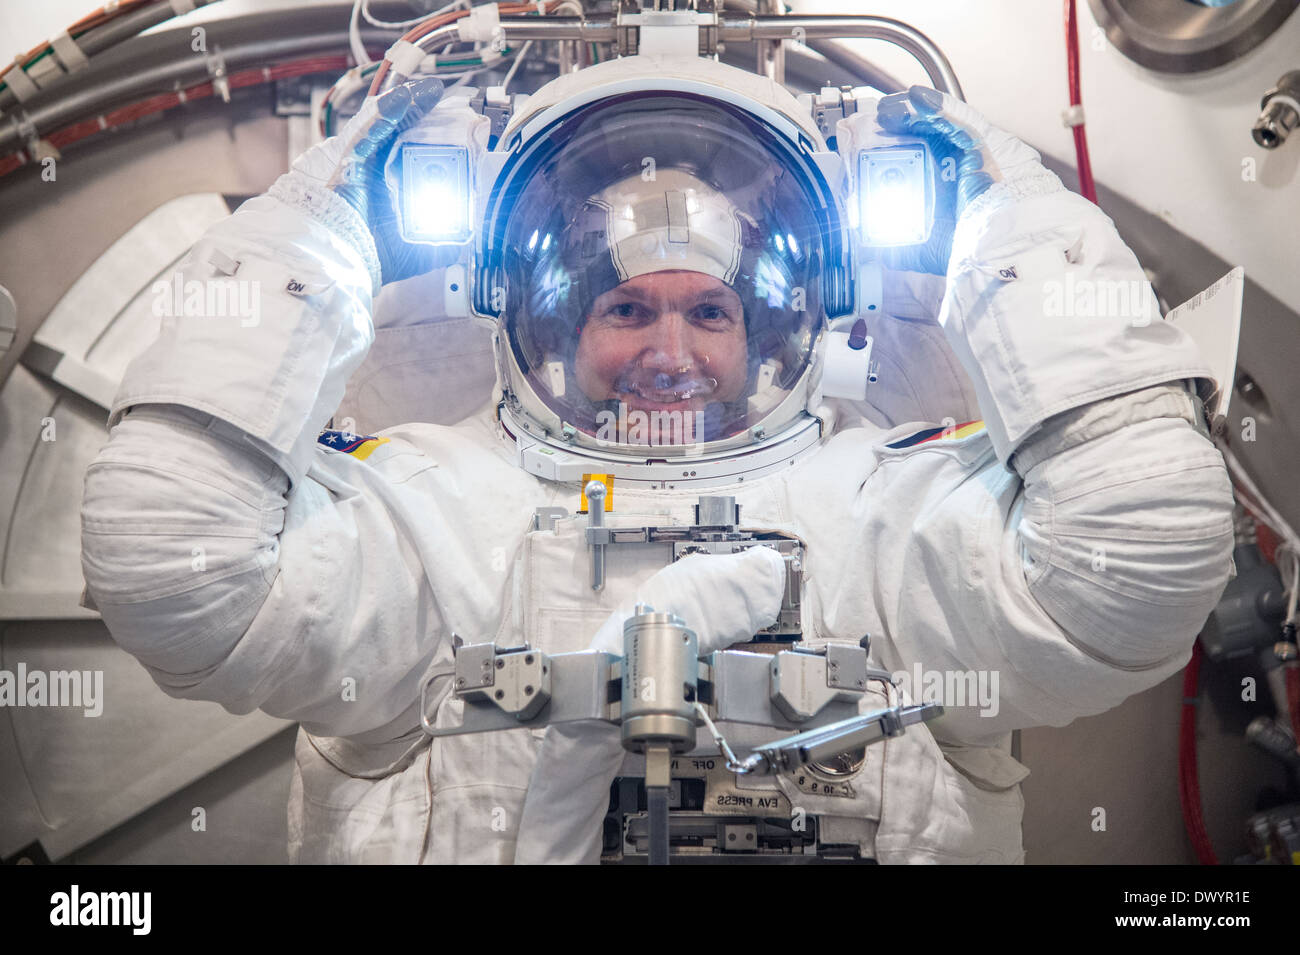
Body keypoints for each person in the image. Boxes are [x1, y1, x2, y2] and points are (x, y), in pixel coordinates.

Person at [80, 64, 1236, 863]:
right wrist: (307, 223)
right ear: (556, 326)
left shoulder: (886, 512)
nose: (669, 355)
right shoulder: (428, 513)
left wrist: (1017, 216)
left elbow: (1137, 561)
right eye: (628, 307)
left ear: (776, 333)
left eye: (712, 315)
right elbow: (174, 574)